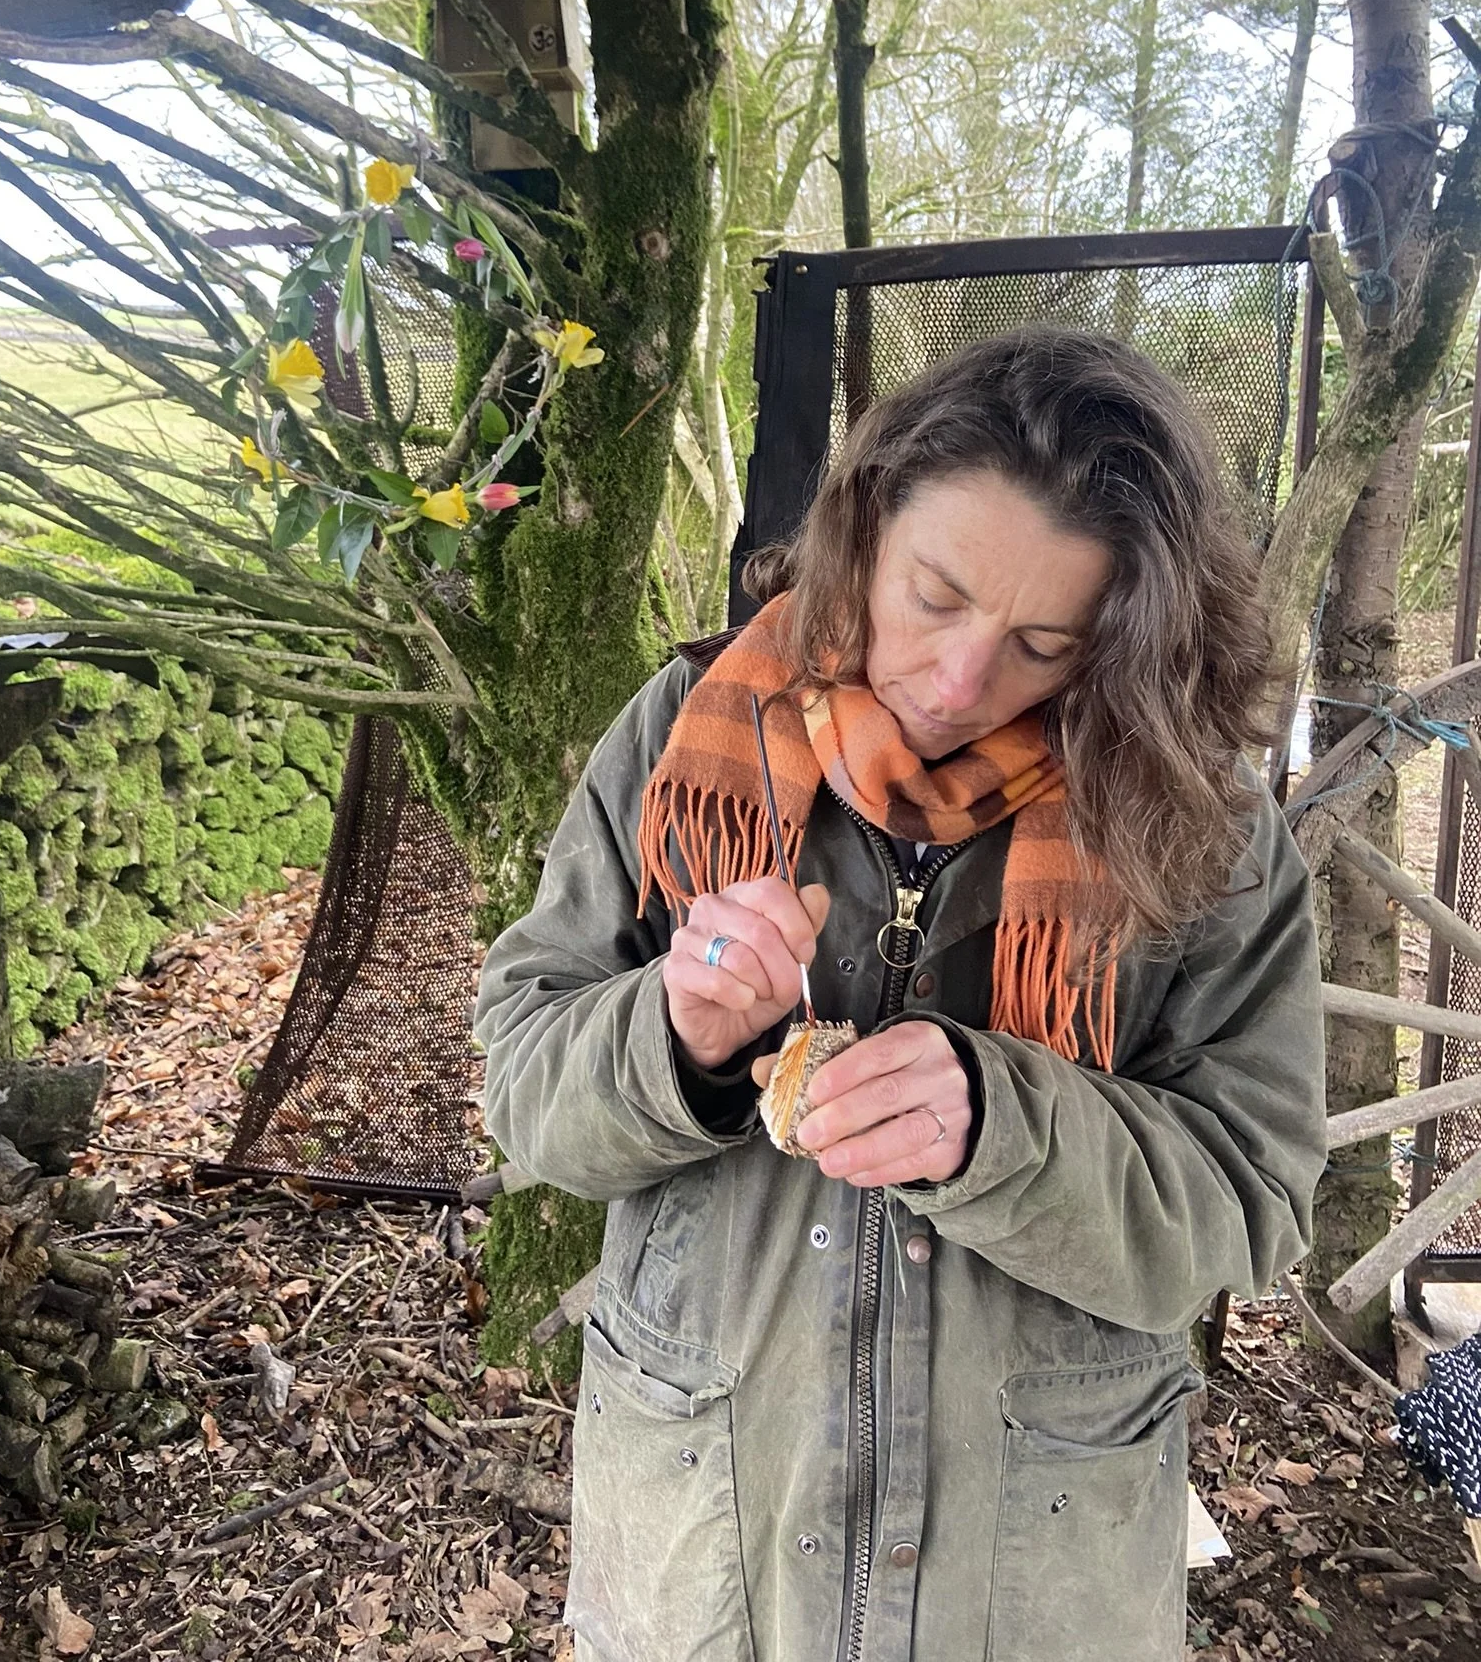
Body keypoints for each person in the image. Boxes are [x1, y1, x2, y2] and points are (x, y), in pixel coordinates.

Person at [475, 327, 1326, 1662]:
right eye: (935, 596)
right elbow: (525, 1090)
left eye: (1045, 642)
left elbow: (1253, 1201)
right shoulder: (680, 731)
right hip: (712, 1533)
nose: (958, 682)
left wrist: (1007, 1131)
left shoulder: (1197, 824)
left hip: (1036, 1566)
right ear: (864, 532)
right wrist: (674, 1038)